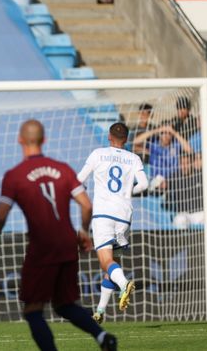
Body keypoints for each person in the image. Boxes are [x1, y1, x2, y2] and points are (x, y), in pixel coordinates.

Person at [0, 120, 116, 351]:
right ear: (44, 140)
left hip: (42, 246)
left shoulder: (14, 176)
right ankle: (103, 337)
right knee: (64, 305)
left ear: (20, 140)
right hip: (67, 243)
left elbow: (1, 215)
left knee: (33, 310)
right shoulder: (63, 169)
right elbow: (86, 205)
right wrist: (83, 231)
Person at [77, 122, 148, 324]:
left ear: (109, 136)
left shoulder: (98, 154)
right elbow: (144, 184)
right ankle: (100, 311)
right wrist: (127, 192)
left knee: (105, 262)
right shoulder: (133, 158)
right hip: (124, 215)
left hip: (103, 214)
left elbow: (79, 179)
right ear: (126, 139)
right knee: (111, 264)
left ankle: (124, 284)